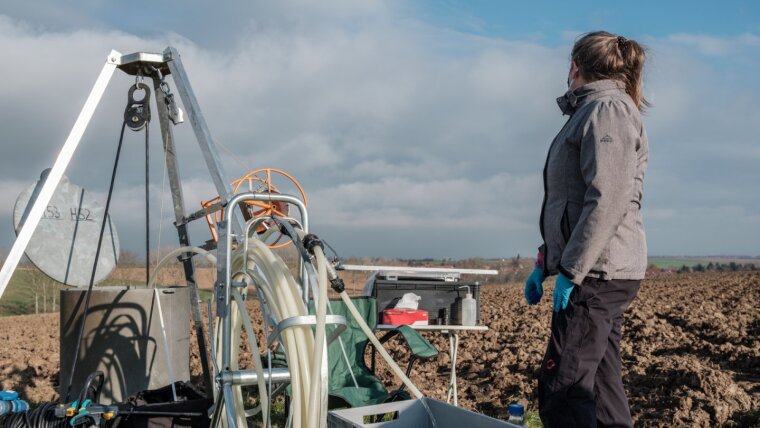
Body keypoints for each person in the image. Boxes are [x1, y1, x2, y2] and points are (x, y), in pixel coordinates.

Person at [524, 31, 649, 428]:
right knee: (600, 390)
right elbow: (568, 202)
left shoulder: (607, 110)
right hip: (595, 270)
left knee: (565, 388)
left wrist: (571, 270)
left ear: (576, 65)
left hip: (596, 274)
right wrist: (546, 261)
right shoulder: (592, 110)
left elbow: (607, 199)